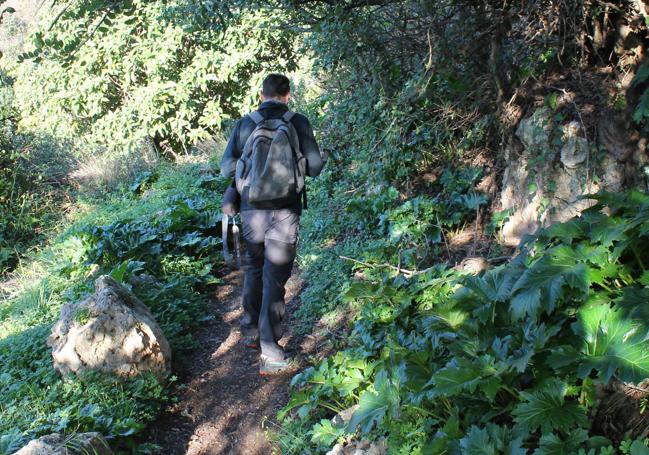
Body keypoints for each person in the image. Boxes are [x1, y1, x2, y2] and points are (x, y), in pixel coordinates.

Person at [220, 73, 328, 375]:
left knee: (255, 268)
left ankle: (252, 329)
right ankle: (270, 349)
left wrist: (247, 174)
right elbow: (316, 168)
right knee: (275, 277)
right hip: (285, 211)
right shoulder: (298, 121)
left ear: (261, 95)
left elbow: (227, 166)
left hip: (252, 209)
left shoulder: (246, 123)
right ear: (288, 95)